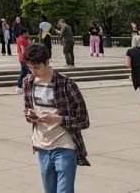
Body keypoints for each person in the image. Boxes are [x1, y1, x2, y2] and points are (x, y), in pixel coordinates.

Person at [22, 42, 90, 192]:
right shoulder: (28, 82)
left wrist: (58, 119)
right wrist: (32, 117)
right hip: (41, 146)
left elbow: (84, 120)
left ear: (47, 62)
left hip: (64, 145)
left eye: (37, 67)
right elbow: (27, 110)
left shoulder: (66, 84)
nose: (33, 71)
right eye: (30, 67)